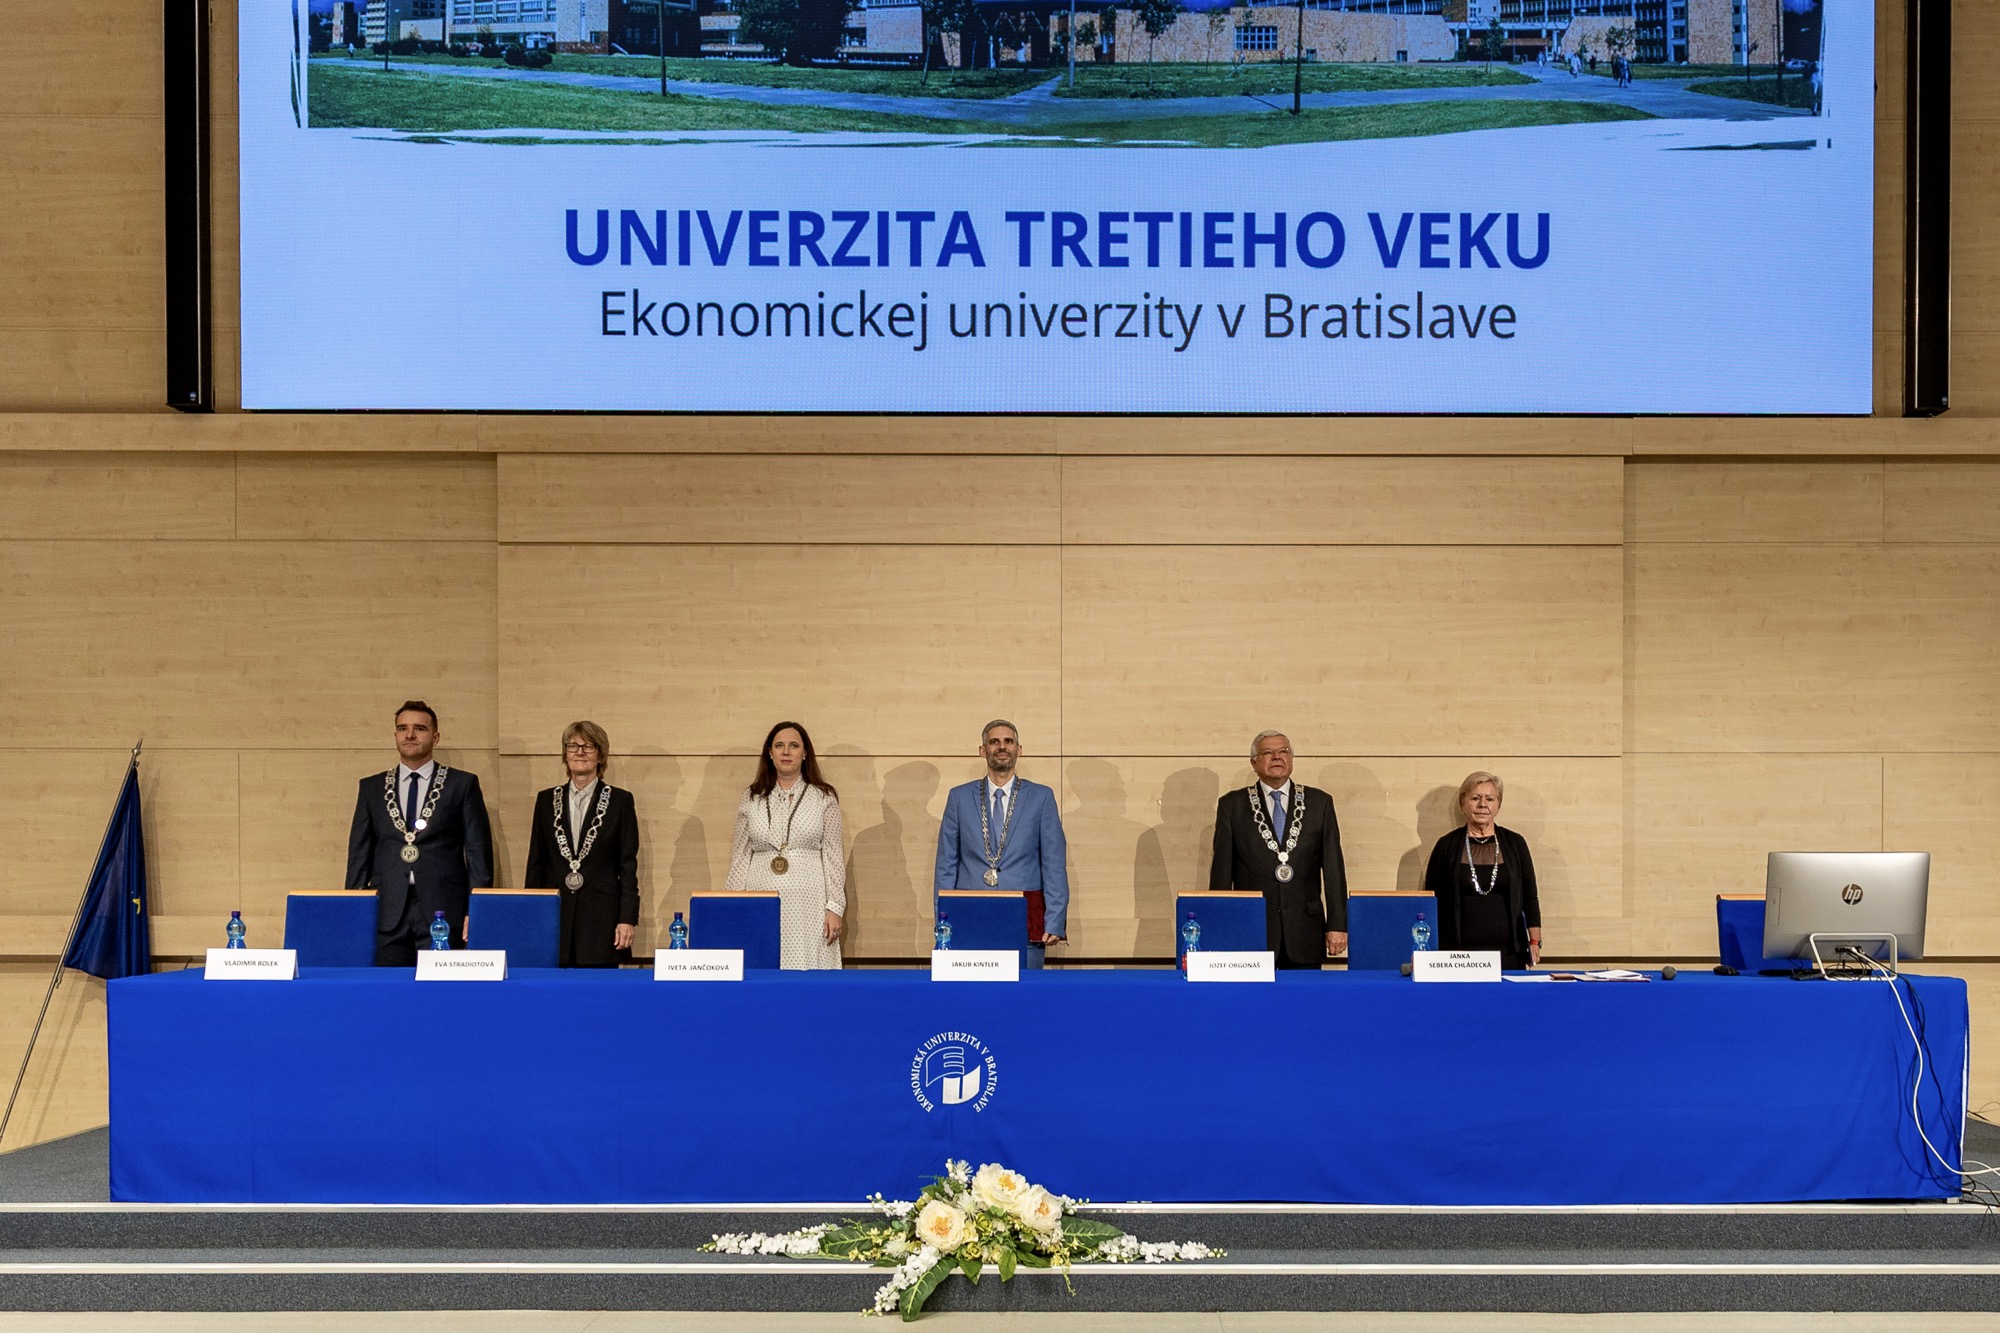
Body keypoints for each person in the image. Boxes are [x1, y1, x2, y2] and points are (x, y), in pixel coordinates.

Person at [345, 700, 494, 966]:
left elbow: (477, 853)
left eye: (419, 729)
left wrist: (479, 910)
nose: (410, 735)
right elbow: (359, 853)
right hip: (387, 911)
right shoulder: (371, 787)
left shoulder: (462, 784)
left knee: (441, 994)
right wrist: (355, 911)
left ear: (435, 737)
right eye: (402, 728)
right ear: (395, 736)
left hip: (444, 910)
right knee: (386, 994)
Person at [933, 720, 1069, 968]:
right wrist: (943, 919)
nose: (1002, 747)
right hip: (969, 915)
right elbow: (946, 865)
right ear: (982, 750)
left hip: (1025, 918)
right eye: (994, 742)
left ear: (1019, 749)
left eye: (1008, 741)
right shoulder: (959, 797)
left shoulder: (1041, 797)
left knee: (1024, 999)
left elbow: (1054, 864)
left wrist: (1055, 920)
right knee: (973, 999)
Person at [1208, 730, 1347, 969]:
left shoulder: (1319, 803)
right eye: (1268, 753)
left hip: (1305, 930)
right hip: (1252, 930)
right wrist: (1222, 926)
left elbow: (1334, 869)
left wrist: (1338, 925)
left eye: (1284, 751)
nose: (1277, 757)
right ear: (1254, 762)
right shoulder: (1232, 806)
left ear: (1291, 759)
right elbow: (1222, 874)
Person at [725, 721, 845, 969]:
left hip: (809, 904)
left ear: (805, 754)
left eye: (793, 746)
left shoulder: (824, 796)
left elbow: (834, 856)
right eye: (779, 746)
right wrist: (734, 905)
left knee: (808, 978)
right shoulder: (751, 796)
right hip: (761, 899)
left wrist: (835, 907)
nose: (786, 752)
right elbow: (739, 856)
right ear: (770, 753)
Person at [523, 720, 640, 968]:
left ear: (601, 754)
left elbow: (628, 865)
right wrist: (532, 915)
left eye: (588, 746)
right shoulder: (545, 800)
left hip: (602, 918)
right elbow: (536, 863)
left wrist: (627, 918)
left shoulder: (620, 801)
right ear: (565, 754)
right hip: (555, 916)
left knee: (599, 995)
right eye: (572, 746)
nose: (579, 752)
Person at [1421, 771, 1542, 969]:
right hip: (1457, 955)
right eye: (1475, 798)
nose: (1482, 805)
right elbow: (1431, 902)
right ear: (1463, 805)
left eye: (1490, 799)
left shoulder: (1515, 844)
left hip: (1509, 953)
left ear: (1498, 805)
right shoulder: (1446, 846)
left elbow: (1530, 897)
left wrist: (1534, 942)